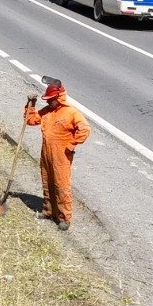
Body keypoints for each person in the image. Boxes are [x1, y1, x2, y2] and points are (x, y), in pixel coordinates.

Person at [24, 79, 91, 231]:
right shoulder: (47, 111)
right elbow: (31, 120)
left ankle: (64, 218)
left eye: (51, 100)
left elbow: (85, 129)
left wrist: (72, 144)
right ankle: (48, 211)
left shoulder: (71, 112)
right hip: (46, 153)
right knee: (47, 182)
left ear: (59, 98)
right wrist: (31, 105)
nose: (49, 103)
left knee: (61, 186)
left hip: (62, 156)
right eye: (47, 100)